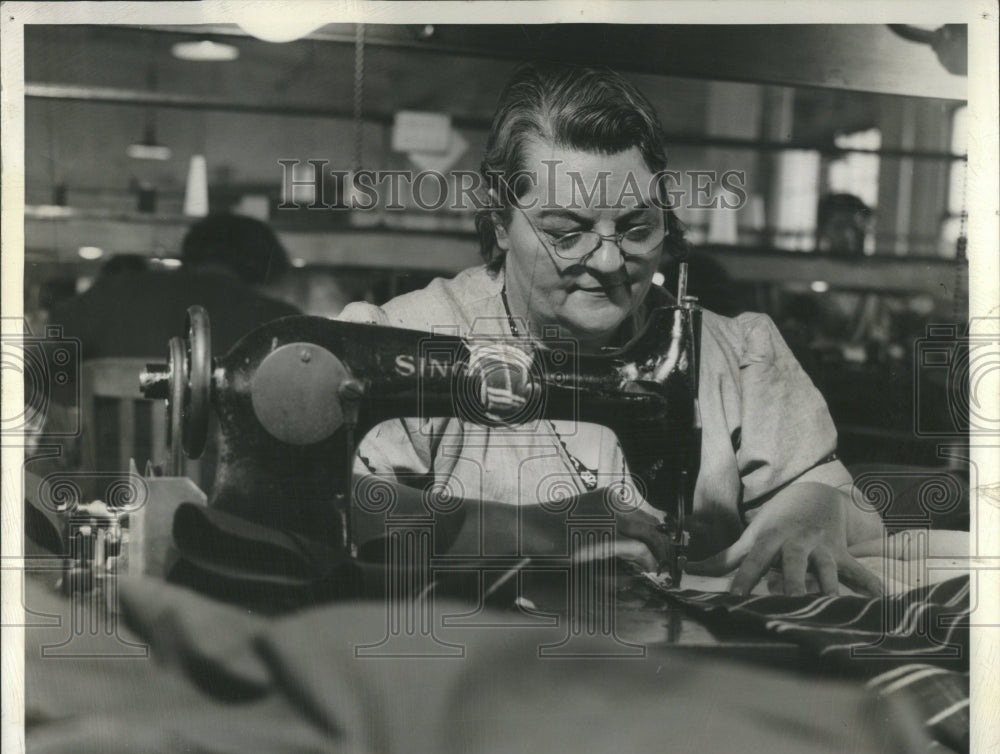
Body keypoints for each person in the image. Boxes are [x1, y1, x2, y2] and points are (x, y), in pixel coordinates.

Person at [340, 62, 885, 597]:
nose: (607, 261)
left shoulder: (736, 354)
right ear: (501, 223)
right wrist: (531, 530)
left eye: (635, 228)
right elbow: (331, 507)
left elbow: (856, 516)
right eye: (566, 233)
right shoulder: (415, 340)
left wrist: (818, 505)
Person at [47, 214, 300, 364]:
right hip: (224, 454)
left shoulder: (116, 291)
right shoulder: (280, 319)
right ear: (262, 264)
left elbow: (36, 359)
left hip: (112, 454)